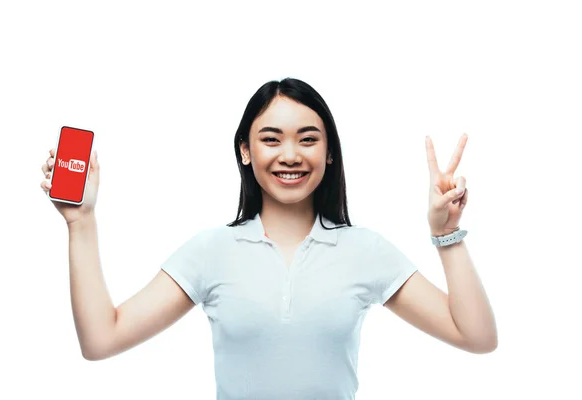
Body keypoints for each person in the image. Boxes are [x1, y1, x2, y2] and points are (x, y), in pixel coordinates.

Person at [40, 77, 497, 399]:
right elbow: (101, 340)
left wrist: (447, 233)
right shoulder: (211, 251)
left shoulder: (365, 251)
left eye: (308, 138)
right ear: (246, 150)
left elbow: (476, 337)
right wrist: (81, 222)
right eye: (271, 139)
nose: (291, 155)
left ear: (330, 152)